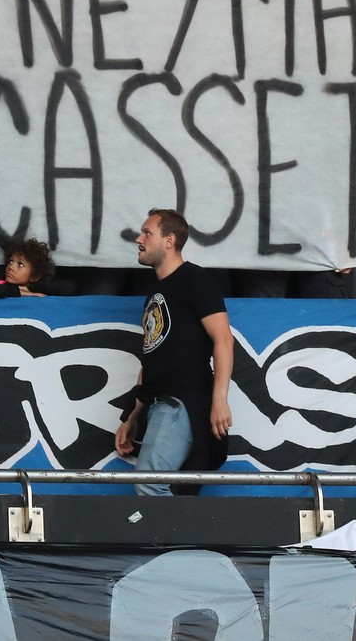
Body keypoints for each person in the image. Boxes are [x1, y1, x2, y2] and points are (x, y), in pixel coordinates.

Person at [115, 208, 235, 497]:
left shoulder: (195, 279)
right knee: (175, 492)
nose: (138, 238)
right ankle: (182, 542)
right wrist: (131, 416)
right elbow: (153, 357)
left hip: (181, 403)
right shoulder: (155, 292)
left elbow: (224, 339)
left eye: (147, 232)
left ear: (169, 240)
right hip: (159, 403)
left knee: (149, 481)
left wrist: (219, 400)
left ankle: (176, 543)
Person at [0, 236, 73, 297]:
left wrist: (31, 288)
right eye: (11, 261)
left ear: (35, 277)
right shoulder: (1, 283)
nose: (11, 267)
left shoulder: (42, 288)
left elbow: (71, 288)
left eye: (20, 264)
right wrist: (20, 292)